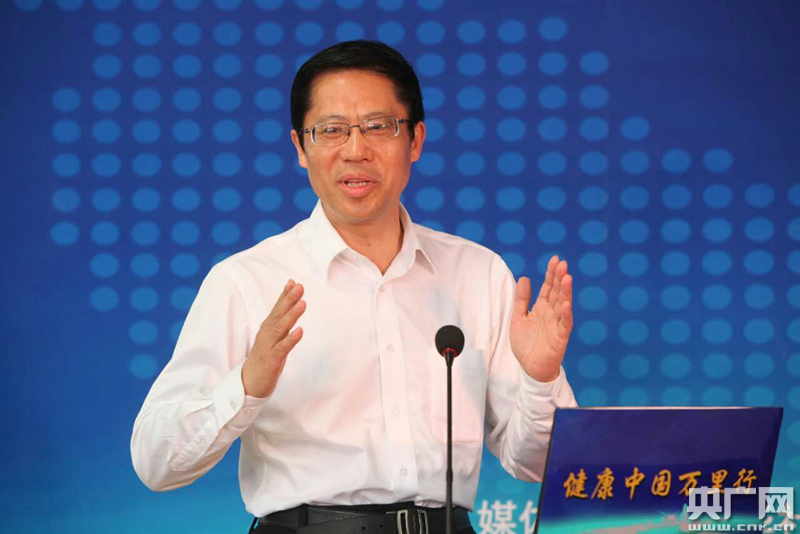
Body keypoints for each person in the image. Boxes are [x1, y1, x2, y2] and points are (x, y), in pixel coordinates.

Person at [131, 40, 577, 534]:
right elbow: (155, 463)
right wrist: (245, 386)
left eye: (378, 126)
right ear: (301, 147)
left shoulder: (478, 274)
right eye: (332, 130)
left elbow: (540, 466)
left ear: (416, 140)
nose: (355, 150)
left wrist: (540, 379)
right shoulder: (247, 281)